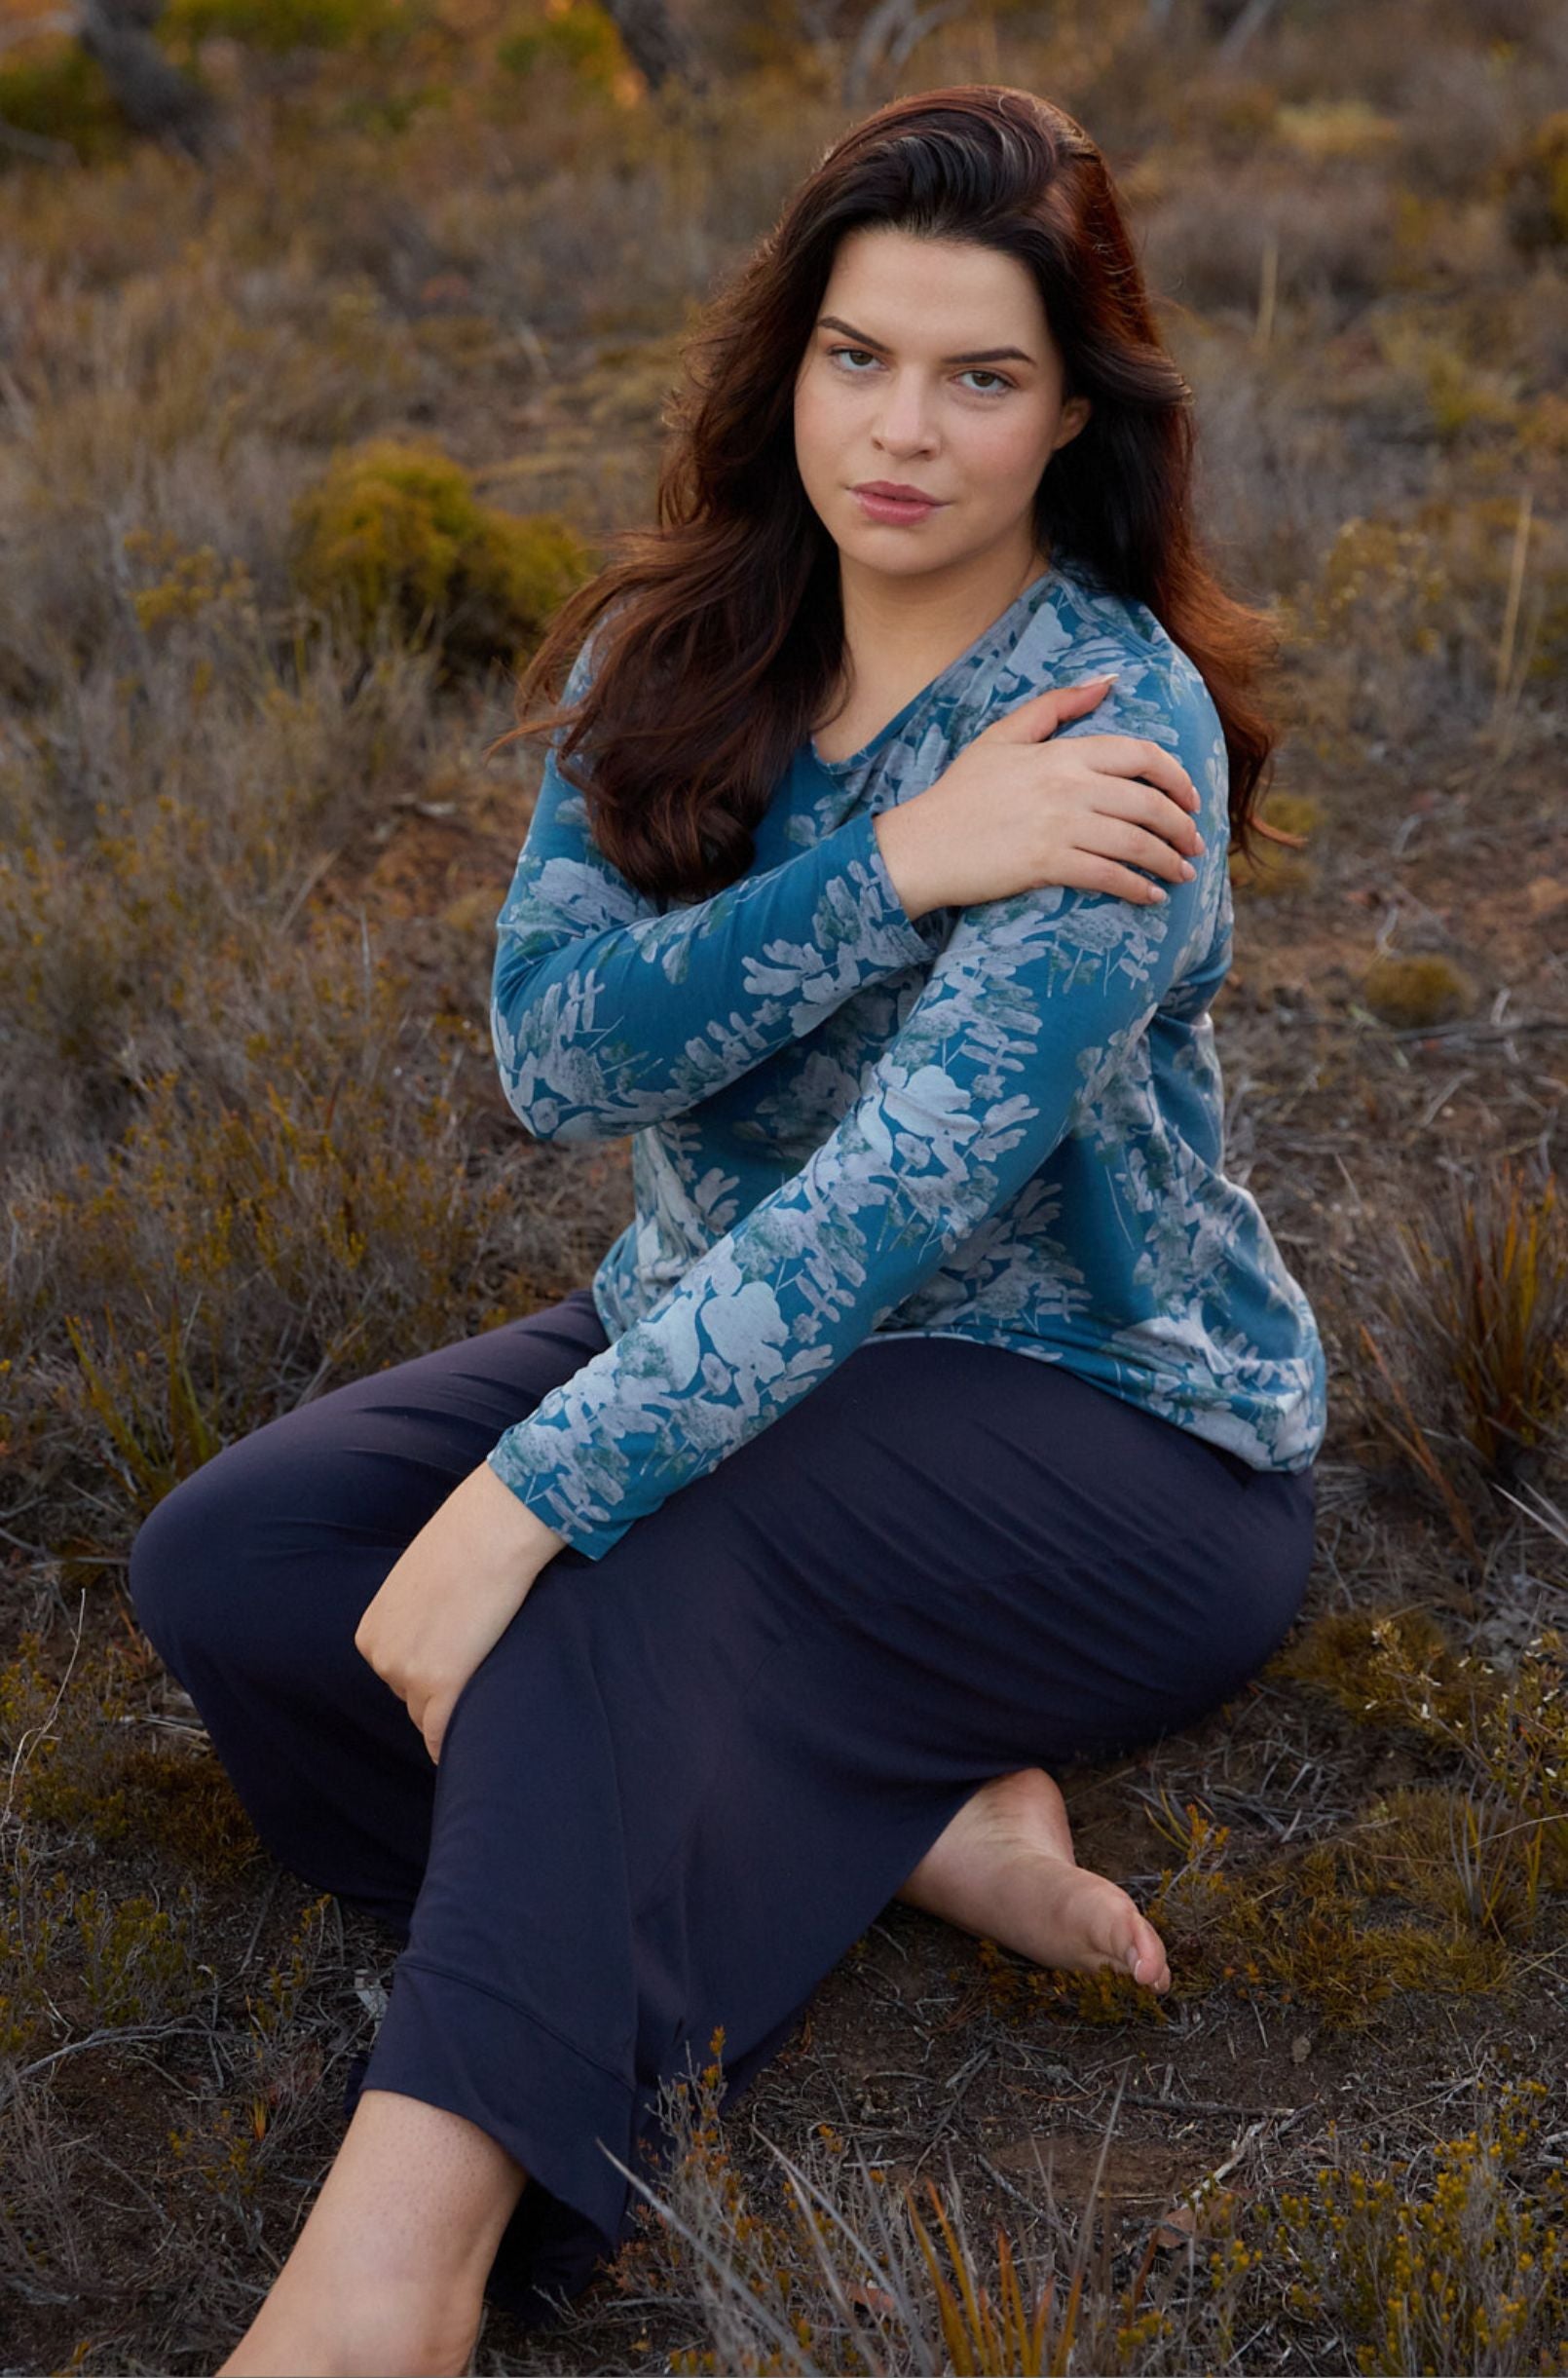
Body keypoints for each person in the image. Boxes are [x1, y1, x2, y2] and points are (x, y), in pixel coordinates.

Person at [128, 83, 1326, 2378]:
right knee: (240, 1567)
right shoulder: (680, 650)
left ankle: (394, 2276)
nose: (903, 432)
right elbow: (557, 1057)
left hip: (1105, 1429)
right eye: (857, 357)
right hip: (710, 1334)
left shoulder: (1111, 732)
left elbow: (887, 1212)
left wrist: (525, 1501)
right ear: (788, 364)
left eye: (981, 377)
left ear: (1073, 416)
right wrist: (893, 866)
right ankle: (891, 1812)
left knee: (586, 1588)